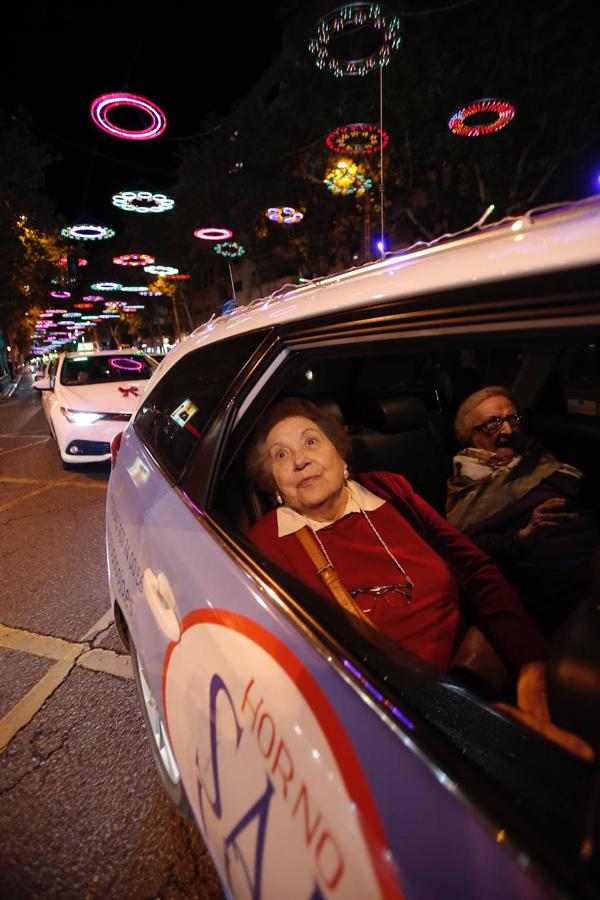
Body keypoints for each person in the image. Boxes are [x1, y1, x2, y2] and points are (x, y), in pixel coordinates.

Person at [245, 397, 593, 761]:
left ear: (340, 452)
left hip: (476, 679)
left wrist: (530, 664)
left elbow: (476, 570)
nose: (300, 460)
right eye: (280, 455)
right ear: (275, 485)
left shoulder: (390, 491)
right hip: (399, 724)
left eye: (311, 441)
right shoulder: (268, 543)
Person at [447, 386, 599, 636]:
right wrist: (523, 535)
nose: (508, 430)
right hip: (554, 580)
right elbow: (468, 547)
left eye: (512, 418)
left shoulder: (539, 458)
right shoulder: (469, 484)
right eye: (493, 423)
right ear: (470, 435)